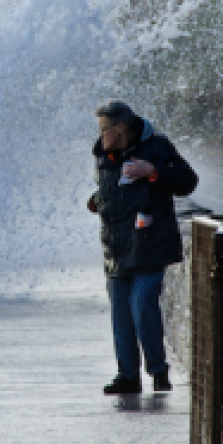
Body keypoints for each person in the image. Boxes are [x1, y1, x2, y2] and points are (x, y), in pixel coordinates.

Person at [87, 100, 198, 394]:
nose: (101, 136)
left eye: (104, 129)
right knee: (120, 313)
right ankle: (127, 375)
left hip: (148, 242)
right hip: (116, 245)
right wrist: (98, 200)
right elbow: (111, 188)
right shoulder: (103, 154)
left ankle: (158, 371)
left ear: (121, 128)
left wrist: (154, 171)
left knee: (143, 306)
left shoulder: (157, 147)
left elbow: (188, 181)